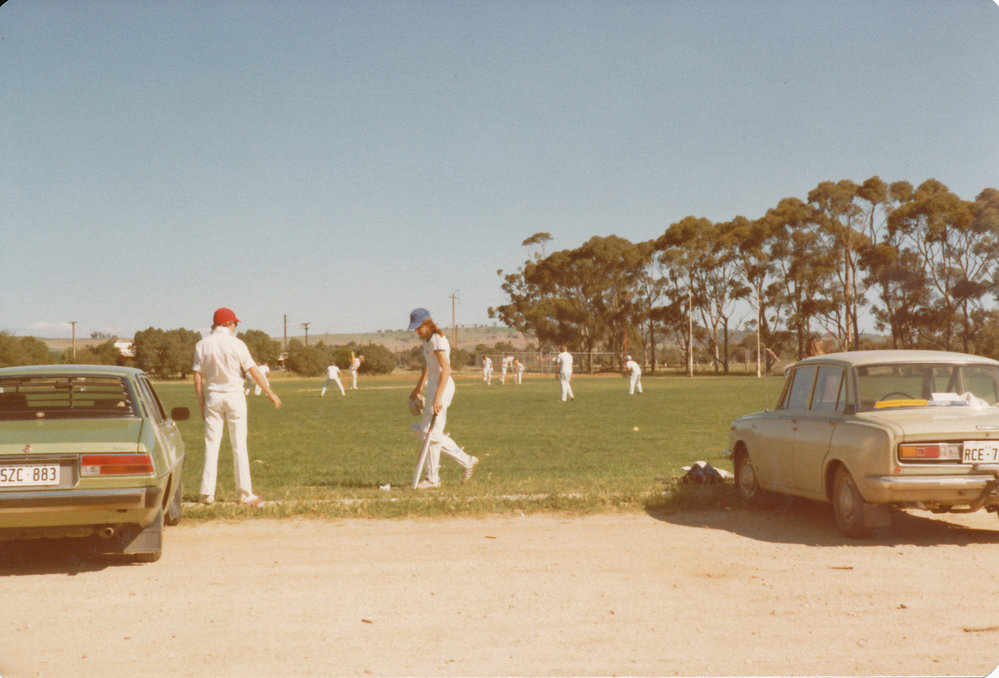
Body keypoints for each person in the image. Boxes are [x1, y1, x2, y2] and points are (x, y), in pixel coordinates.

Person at [193, 307, 281, 506]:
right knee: (239, 445)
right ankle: (244, 494)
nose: (235, 326)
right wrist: (270, 393)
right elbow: (255, 372)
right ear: (227, 323)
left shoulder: (202, 345)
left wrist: (201, 405)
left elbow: (197, 377)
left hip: (213, 397)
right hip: (235, 398)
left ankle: (207, 493)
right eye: (234, 323)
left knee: (211, 445)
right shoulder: (238, 344)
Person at [407, 307, 478, 488]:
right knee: (429, 433)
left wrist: (438, 397)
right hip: (434, 388)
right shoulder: (428, 341)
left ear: (427, 323)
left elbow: (446, 368)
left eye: (418, 327)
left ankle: (432, 479)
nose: (416, 331)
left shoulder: (437, 339)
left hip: (442, 388)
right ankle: (466, 461)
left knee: (430, 434)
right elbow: (429, 368)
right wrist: (417, 389)